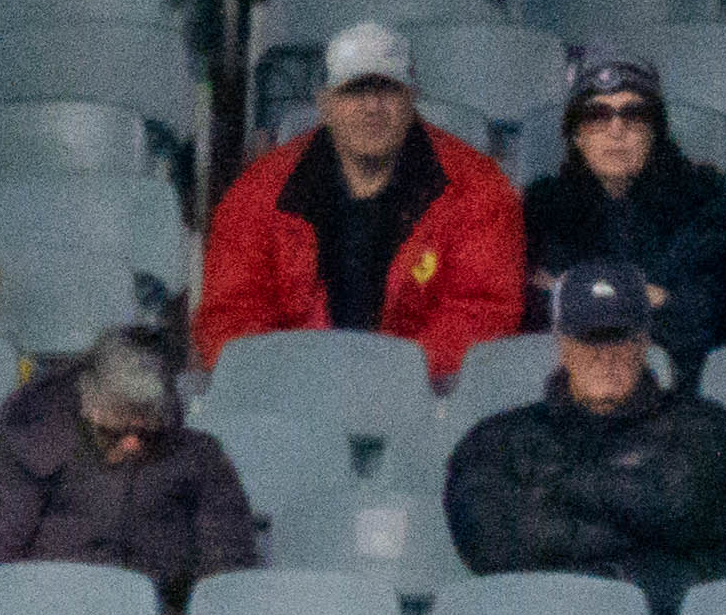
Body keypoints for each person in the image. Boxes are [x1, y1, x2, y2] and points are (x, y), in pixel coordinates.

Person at [193, 23, 526, 378]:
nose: (372, 107)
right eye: (354, 91)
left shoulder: (478, 188)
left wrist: (381, 376)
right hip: (293, 396)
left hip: (425, 398)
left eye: (388, 90)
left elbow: (483, 313)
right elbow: (230, 314)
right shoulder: (258, 192)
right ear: (325, 103)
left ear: (412, 97)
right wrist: (304, 374)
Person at [440, 262, 726, 615]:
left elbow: (685, 510)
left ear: (644, 341)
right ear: (562, 345)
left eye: (619, 338)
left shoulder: (701, 423)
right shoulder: (501, 436)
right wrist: (632, 544)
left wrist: (561, 487)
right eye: (590, 340)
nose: (606, 357)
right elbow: (489, 543)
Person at [0, 331, 266, 615]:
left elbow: (228, 564)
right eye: (115, 432)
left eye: (147, 430)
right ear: (89, 405)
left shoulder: (199, 457)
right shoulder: (39, 446)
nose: (132, 444)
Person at [518, 50, 726, 376]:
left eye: (634, 115)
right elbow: (536, 318)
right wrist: (650, 297)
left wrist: (581, 296)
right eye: (597, 115)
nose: (616, 130)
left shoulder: (699, 198)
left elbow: (705, 314)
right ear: (577, 135)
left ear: (655, 131)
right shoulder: (544, 205)